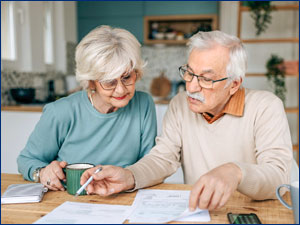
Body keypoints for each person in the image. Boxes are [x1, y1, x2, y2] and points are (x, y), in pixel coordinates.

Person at [81, 30, 293, 210]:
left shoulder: (266, 107)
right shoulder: (180, 104)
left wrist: (235, 171)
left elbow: (278, 176)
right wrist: (128, 176)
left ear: (234, 84)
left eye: (206, 79)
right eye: (189, 73)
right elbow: (163, 159)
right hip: (199, 212)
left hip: (252, 212)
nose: (191, 87)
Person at [17, 25, 157, 191]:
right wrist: (41, 173)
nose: (121, 89)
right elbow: (26, 160)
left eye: (126, 77)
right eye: (109, 81)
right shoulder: (61, 112)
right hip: (69, 200)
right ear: (91, 81)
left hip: (123, 198)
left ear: (137, 73)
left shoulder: (144, 104)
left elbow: (150, 164)